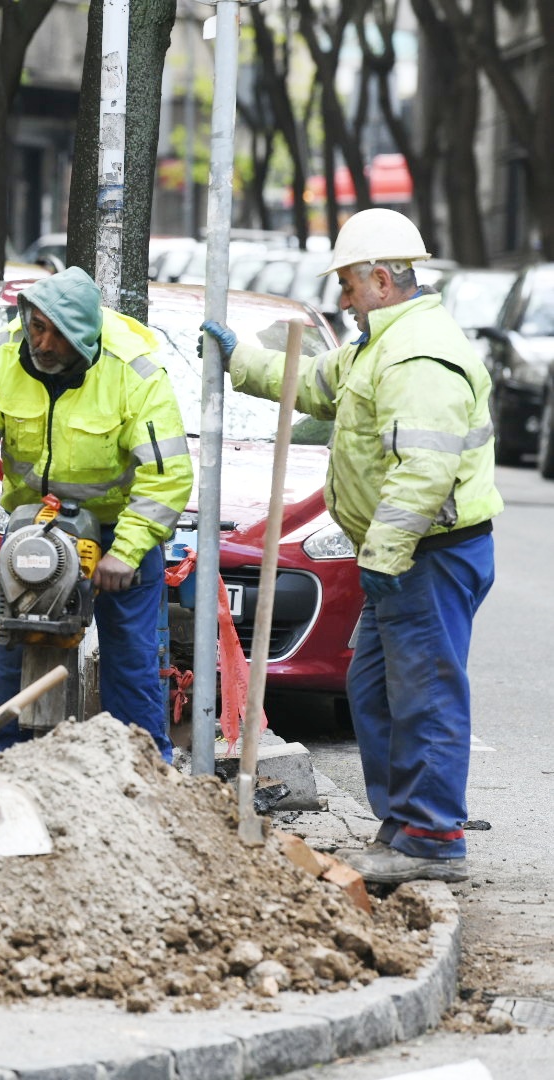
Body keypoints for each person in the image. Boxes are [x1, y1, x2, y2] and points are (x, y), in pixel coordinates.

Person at [203, 207, 502, 885]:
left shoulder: (417, 355)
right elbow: (313, 382)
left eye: (347, 284)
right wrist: (239, 358)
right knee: (374, 690)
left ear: (381, 280)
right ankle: (403, 825)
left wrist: (385, 555)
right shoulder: (379, 344)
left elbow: (423, 473)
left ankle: (431, 839)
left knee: (422, 694)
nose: (342, 298)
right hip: (407, 556)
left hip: (428, 555)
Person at [0, 267, 193, 761]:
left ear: (86, 338)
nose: (43, 343)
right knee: (12, 647)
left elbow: (167, 474)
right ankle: (3, 764)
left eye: (58, 335)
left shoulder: (133, 371)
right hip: (34, 526)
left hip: (118, 529)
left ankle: (141, 769)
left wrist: (126, 554)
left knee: (131, 657)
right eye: (37, 328)